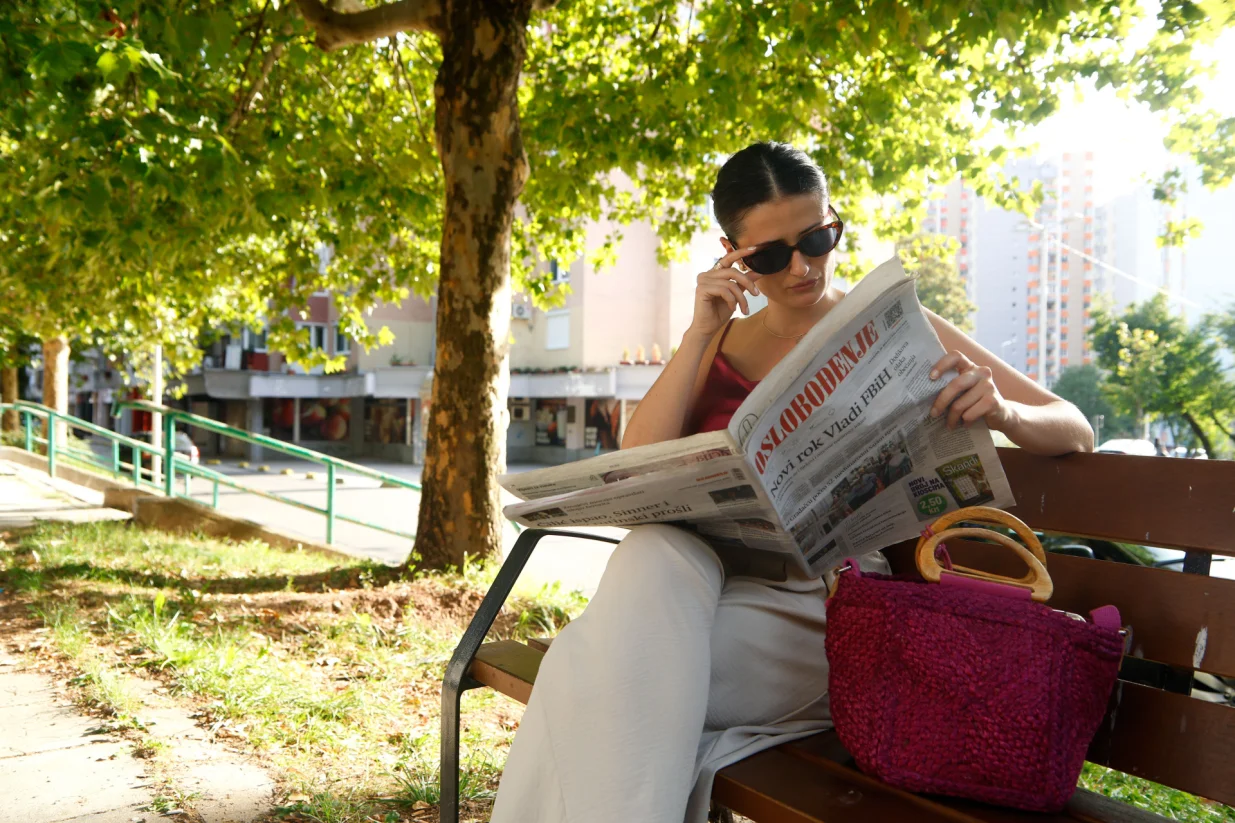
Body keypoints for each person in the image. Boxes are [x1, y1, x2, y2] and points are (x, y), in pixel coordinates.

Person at [490, 142, 1093, 823]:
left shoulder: (896, 325)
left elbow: (1073, 426)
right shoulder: (715, 345)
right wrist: (698, 333)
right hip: (702, 593)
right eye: (771, 256)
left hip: (825, 609)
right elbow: (638, 462)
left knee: (594, 674)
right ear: (732, 255)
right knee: (652, 554)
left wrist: (1003, 412)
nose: (802, 267)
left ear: (833, 221)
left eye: (815, 239)